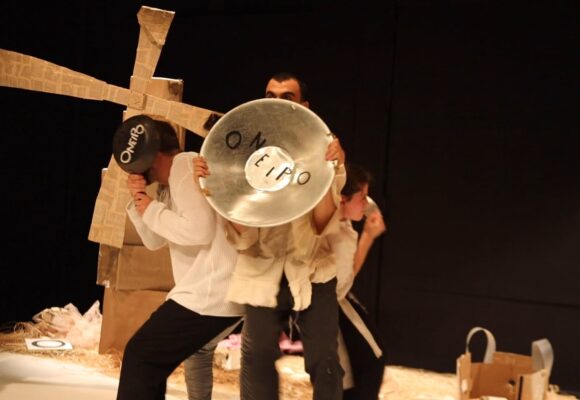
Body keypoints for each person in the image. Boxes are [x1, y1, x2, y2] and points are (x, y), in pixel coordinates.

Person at [195, 71, 347, 400]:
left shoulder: (326, 148)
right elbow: (243, 233)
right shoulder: (246, 154)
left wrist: (327, 170)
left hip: (312, 270)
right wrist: (213, 185)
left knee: (325, 361)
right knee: (257, 357)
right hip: (262, 270)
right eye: (270, 96)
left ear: (304, 106)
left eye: (287, 97)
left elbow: (323, 223)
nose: (276, 102)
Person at [116, 118, 244, 400]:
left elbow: (199, 230)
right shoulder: (168, 184)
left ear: (153, 154)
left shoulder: (183, 165)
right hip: (208, 294)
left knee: (141, 355)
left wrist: (152, 209)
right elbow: (154, 240)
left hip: (210, 292)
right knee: (150, 361)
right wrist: (140, 199)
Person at [330, 163, 387, 399]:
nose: (366, 203)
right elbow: (342, 283)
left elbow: (346, 275)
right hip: (330, 308)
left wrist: (367, 235)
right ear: (342, 199)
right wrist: (368, 236)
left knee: (371, 360)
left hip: (339, 302)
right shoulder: (332, 231)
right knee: (357, 371)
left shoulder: (343, 222)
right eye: (361, 197)